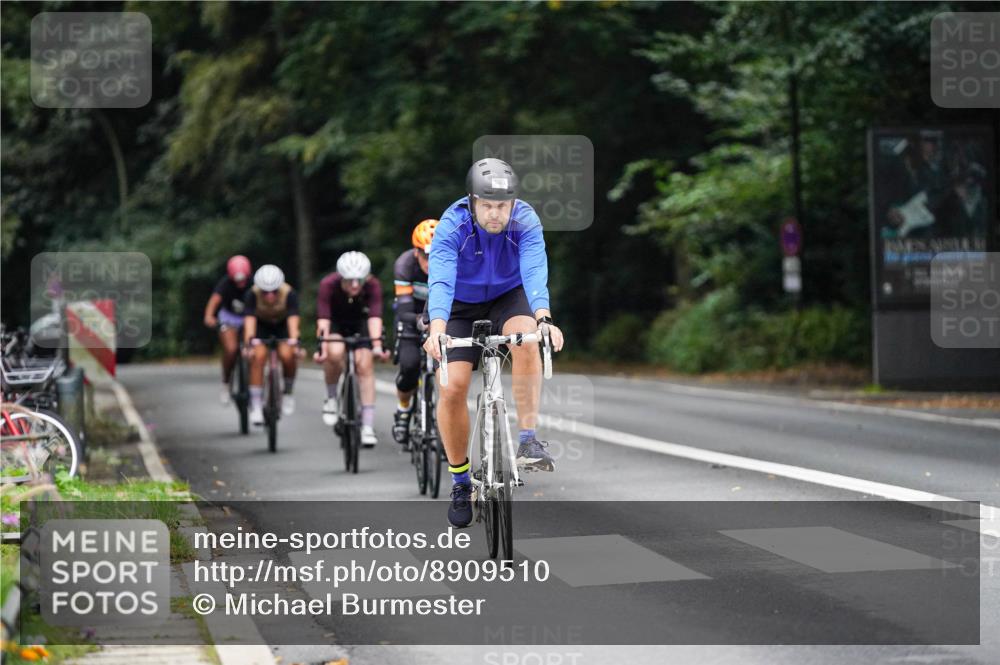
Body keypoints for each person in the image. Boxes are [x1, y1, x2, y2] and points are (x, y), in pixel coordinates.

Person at [424, 158, 565, 528]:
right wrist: (437, 328)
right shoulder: (453, 224)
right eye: (486, 205)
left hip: (508, 296)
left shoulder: (525, 221)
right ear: (472, 201)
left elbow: (534, 269)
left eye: (502, 206)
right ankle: (459, 481)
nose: (494, 214)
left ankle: (529, 439)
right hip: (458, 305)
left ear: (513, 203)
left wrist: (544, 319)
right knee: (453, 387)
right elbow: (440, 278)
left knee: (527, 341)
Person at [315, 251, 388, 447]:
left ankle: (367, 426)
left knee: (364, 366)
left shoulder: (372, 285)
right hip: (337, 325)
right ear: (340, 277)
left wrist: (378, 346)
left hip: (361, 324)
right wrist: (322, 348)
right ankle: (330, 397)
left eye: (359, 280)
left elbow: (374, 318)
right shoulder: (327, 285)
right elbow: (323, 321)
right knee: (335, 352)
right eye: (349, 280)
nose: (355, 285)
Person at [391, 219, 438, 444]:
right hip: (412, 317)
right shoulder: (404, 264)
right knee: (409, 367)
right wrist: (421, 322)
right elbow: (404, 310)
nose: (430, 263)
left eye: (435, 255)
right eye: (426, 256)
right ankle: (403, 409)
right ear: (416, 252)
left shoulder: (453, 264)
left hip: (441, 319)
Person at [242, 265, 301, 426]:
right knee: (258, 356)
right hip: (261, 326)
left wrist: (294, 341)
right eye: (265, 292)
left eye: (273, 291)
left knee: (287, 355)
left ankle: (288, 391)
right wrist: (249, 344)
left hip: (282, 325)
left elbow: (293, 321)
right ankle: (256, 405)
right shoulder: (252, 294)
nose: (269, 296)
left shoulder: (289, 293)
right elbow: (249, 321)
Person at [203, 255, 252, 405]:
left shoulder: (254, 283)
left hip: (249, 318)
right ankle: (226, 383)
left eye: (243, 280)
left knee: (252, 350)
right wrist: (209, 316)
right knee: (231, 350)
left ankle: (254, 385)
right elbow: (215, 300)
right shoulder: (225, 283)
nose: (241, 284)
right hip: (229, 318)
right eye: (237, 281)